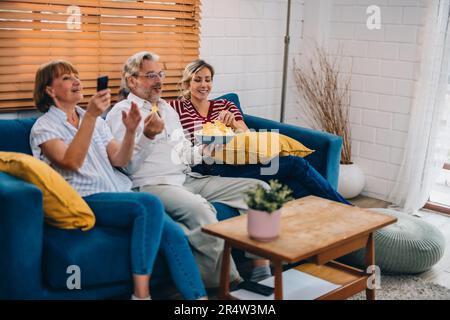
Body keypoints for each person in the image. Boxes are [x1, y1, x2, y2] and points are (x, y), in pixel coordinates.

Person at [30, 60, 207, 300]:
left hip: (118, 194)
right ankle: (141, 295)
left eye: (76, 75)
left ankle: (199, 300)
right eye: (66, 78)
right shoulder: (44, 127)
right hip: (85, 199)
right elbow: (71, 162)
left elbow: (119, 159)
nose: (76, 81)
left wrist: (134, 131)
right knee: (150, 204)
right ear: (50, 90)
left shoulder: (93, 120)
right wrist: (91, 117)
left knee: (173, 233)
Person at [106, 52, 272, 288]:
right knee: (201, 209)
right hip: (154, 184)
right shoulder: (122, 112)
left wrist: (208, 148)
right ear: (132, 80)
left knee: (261, 190)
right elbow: (127, 165)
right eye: (151, 75)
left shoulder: (167, 109)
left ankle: (261, 270)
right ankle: (228, 285)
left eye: (160, 74)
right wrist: (147, 135)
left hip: (186, 177)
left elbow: (184, 153)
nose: (159, 80)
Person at [170, 59, 351, 205]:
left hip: (241, 161)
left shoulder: (224, 105)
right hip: (212, 169)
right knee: (296, 167)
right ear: (187, 83)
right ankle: (346, 210)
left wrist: (233, 122)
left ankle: (335, 216)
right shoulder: (176, 107)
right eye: (198, 79)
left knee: (295, 173)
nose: (204, 85)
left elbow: (247, 134)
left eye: (208, 79)